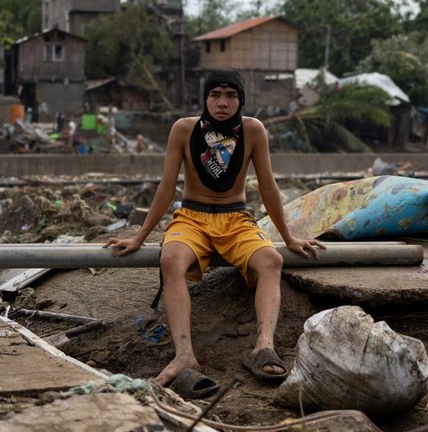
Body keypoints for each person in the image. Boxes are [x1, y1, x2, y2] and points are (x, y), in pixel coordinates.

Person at [104, 69, 324, 394]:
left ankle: (263, 346)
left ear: (241, 99)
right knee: (171, 260)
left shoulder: (253, 130)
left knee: (271, 262)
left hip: (236, 219)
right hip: (192, 217)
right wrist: (139, 237)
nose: (222, 102)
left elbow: (267, 186)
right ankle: (184, 357)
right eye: (215, 95)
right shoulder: (183, 129)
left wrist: (289, 238)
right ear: (205, 98)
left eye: (230, 95)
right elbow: (167, 187)